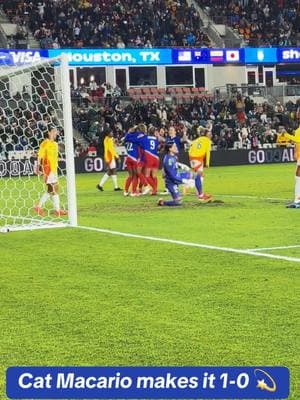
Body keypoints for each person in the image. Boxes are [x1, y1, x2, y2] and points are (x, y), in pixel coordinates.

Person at [34, 126, 67, 217]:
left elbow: (54, 157)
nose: (55, 133)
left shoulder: (55, 144)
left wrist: (61, 160)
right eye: (53, 131)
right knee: (53, 188)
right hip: (47, 169)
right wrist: (37, 167)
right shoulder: (45, 143)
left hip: (54, 169)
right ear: (49, 132)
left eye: (56, 131)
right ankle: (55, 210)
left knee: (52, 189)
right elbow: (40, 155)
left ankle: (42, 207)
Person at [158, 141, 192, 207]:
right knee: (178, 202)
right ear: (170, 149)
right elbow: (172, 176)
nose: (176, 148)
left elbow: (174, 167)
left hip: (176, 176)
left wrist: (184, 168)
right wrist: (185, 181)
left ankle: (201, 195)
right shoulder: (168, 160)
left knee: (195, 175)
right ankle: (163, 202)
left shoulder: (174, 156)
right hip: (171, 182)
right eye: (174, 146)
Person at [188, 128, 213, 202]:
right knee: (199, 176)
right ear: (206, 134)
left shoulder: (197, 139)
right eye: (209, 133)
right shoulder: (207, 140)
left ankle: (200, 194)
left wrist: (191, 158)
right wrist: (207, 163)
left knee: (198, 176)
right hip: (198, 158)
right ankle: (200, 195)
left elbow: (190, 148)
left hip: (192, 158)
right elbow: (208, 152)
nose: (210, 134)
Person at [283, 127, 300, 208]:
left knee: (298, 176)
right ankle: (297, 200)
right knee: (297, 176)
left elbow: (297, 140)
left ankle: (297, 201)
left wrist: (285, 135)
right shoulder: (298, 130)